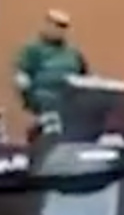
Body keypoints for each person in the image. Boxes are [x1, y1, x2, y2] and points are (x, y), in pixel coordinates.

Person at [13, 11, 87, 140]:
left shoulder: (73, 52)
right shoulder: (33, 49)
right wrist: (27, 92)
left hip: (69, 104)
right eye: (56, 25)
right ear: (47, 25)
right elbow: (22, 74)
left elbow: (84, 75)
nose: (59, 30)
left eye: (63, 27)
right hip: (45, 102)